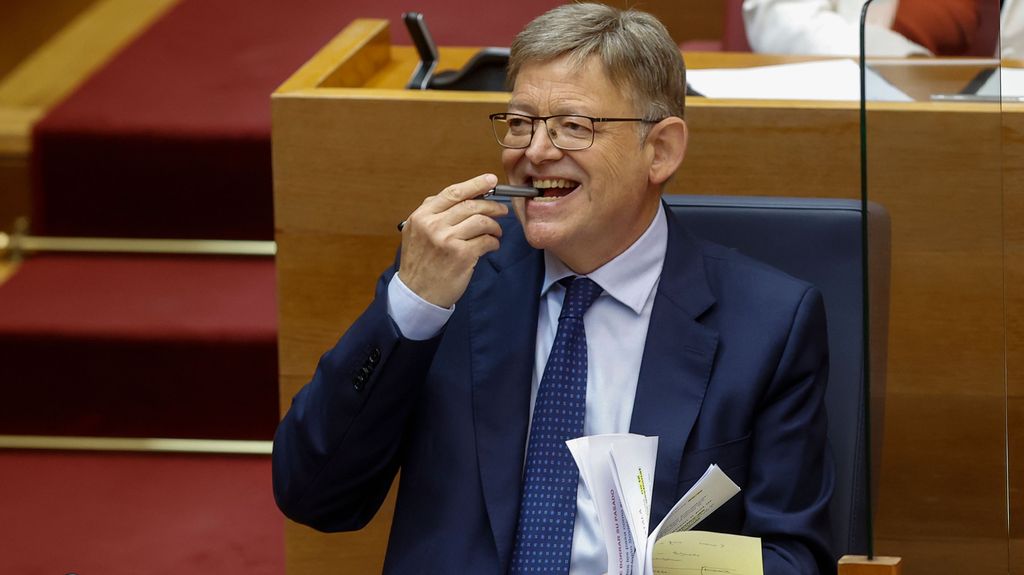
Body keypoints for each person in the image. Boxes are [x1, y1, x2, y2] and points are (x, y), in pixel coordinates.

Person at [272, 3, 834, 574]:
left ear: (660, 150)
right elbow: (314, 495)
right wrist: (411, 307)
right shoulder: (452, 284)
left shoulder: (768, 324)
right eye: (519, 123)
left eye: (573, 125)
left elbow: (795, 557)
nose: (535, 152)